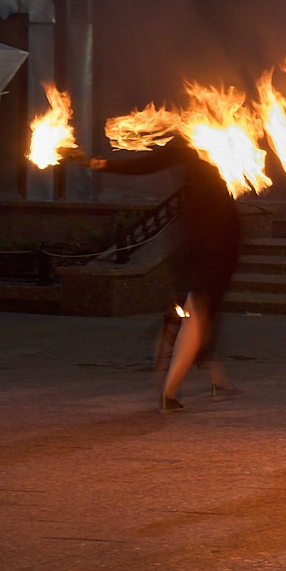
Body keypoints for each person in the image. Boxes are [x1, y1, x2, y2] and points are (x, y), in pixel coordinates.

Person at [83, 139, 244, 413]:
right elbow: (150, 164)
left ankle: (208, 380)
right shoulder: (205, 139)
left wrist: (103, 164)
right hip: (217, 238)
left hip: (197, 235)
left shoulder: (198, 141)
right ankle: (171, 390)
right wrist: (104, 164)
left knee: (201, 313)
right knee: (198, 314)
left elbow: (149, 164)